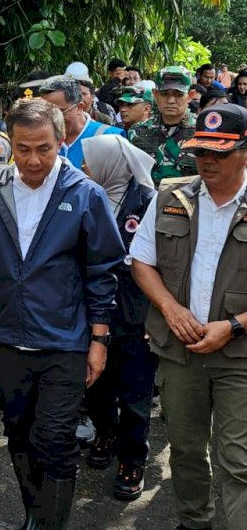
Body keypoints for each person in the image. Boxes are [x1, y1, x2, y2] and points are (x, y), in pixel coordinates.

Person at [0, 99, 124, 530]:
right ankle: (33, 514)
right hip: (8, 339)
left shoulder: (85, 195)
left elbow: (102, 271)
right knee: (19, 433)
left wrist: (98, 340)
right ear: (9, 145)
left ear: (60, 143)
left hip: (65, 342)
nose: (33, 161)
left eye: (44, 149)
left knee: (55, 440)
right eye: (23, 150)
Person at [130, 103, 247, 530]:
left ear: (244, 151)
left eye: (219, 153)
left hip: (238, 353)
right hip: (180, 349)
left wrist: (235, 326)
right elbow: (141, 261)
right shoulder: (171, 197)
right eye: (200, 151)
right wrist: (171, 310)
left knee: (239, 463)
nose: (206, 161)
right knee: (182, 442)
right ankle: (195, 520)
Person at [81, 135, 157, 500]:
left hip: (134, 315)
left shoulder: (146, 201)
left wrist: (154, 318)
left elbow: (160, 265)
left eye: (91, 162)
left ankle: (132, 459)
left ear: (112, 165)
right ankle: (105, 433)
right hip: (94, 312)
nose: (84, 168)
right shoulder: (85, 196)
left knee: (135, 393)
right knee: (96, 385)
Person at [127, 66, 197, 186]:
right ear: (155, 94)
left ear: (190, 96)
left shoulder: (202, 131)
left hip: (191, 202)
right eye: (164, 94)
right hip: (148, 202)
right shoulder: (138, 132)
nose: (170, 100)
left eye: (178, 94)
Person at [38, 74, 123, 168]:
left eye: (58, 112)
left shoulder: (110, 138)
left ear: (79, 108)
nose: (51, 120)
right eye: (45, 113)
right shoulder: (39, 139)